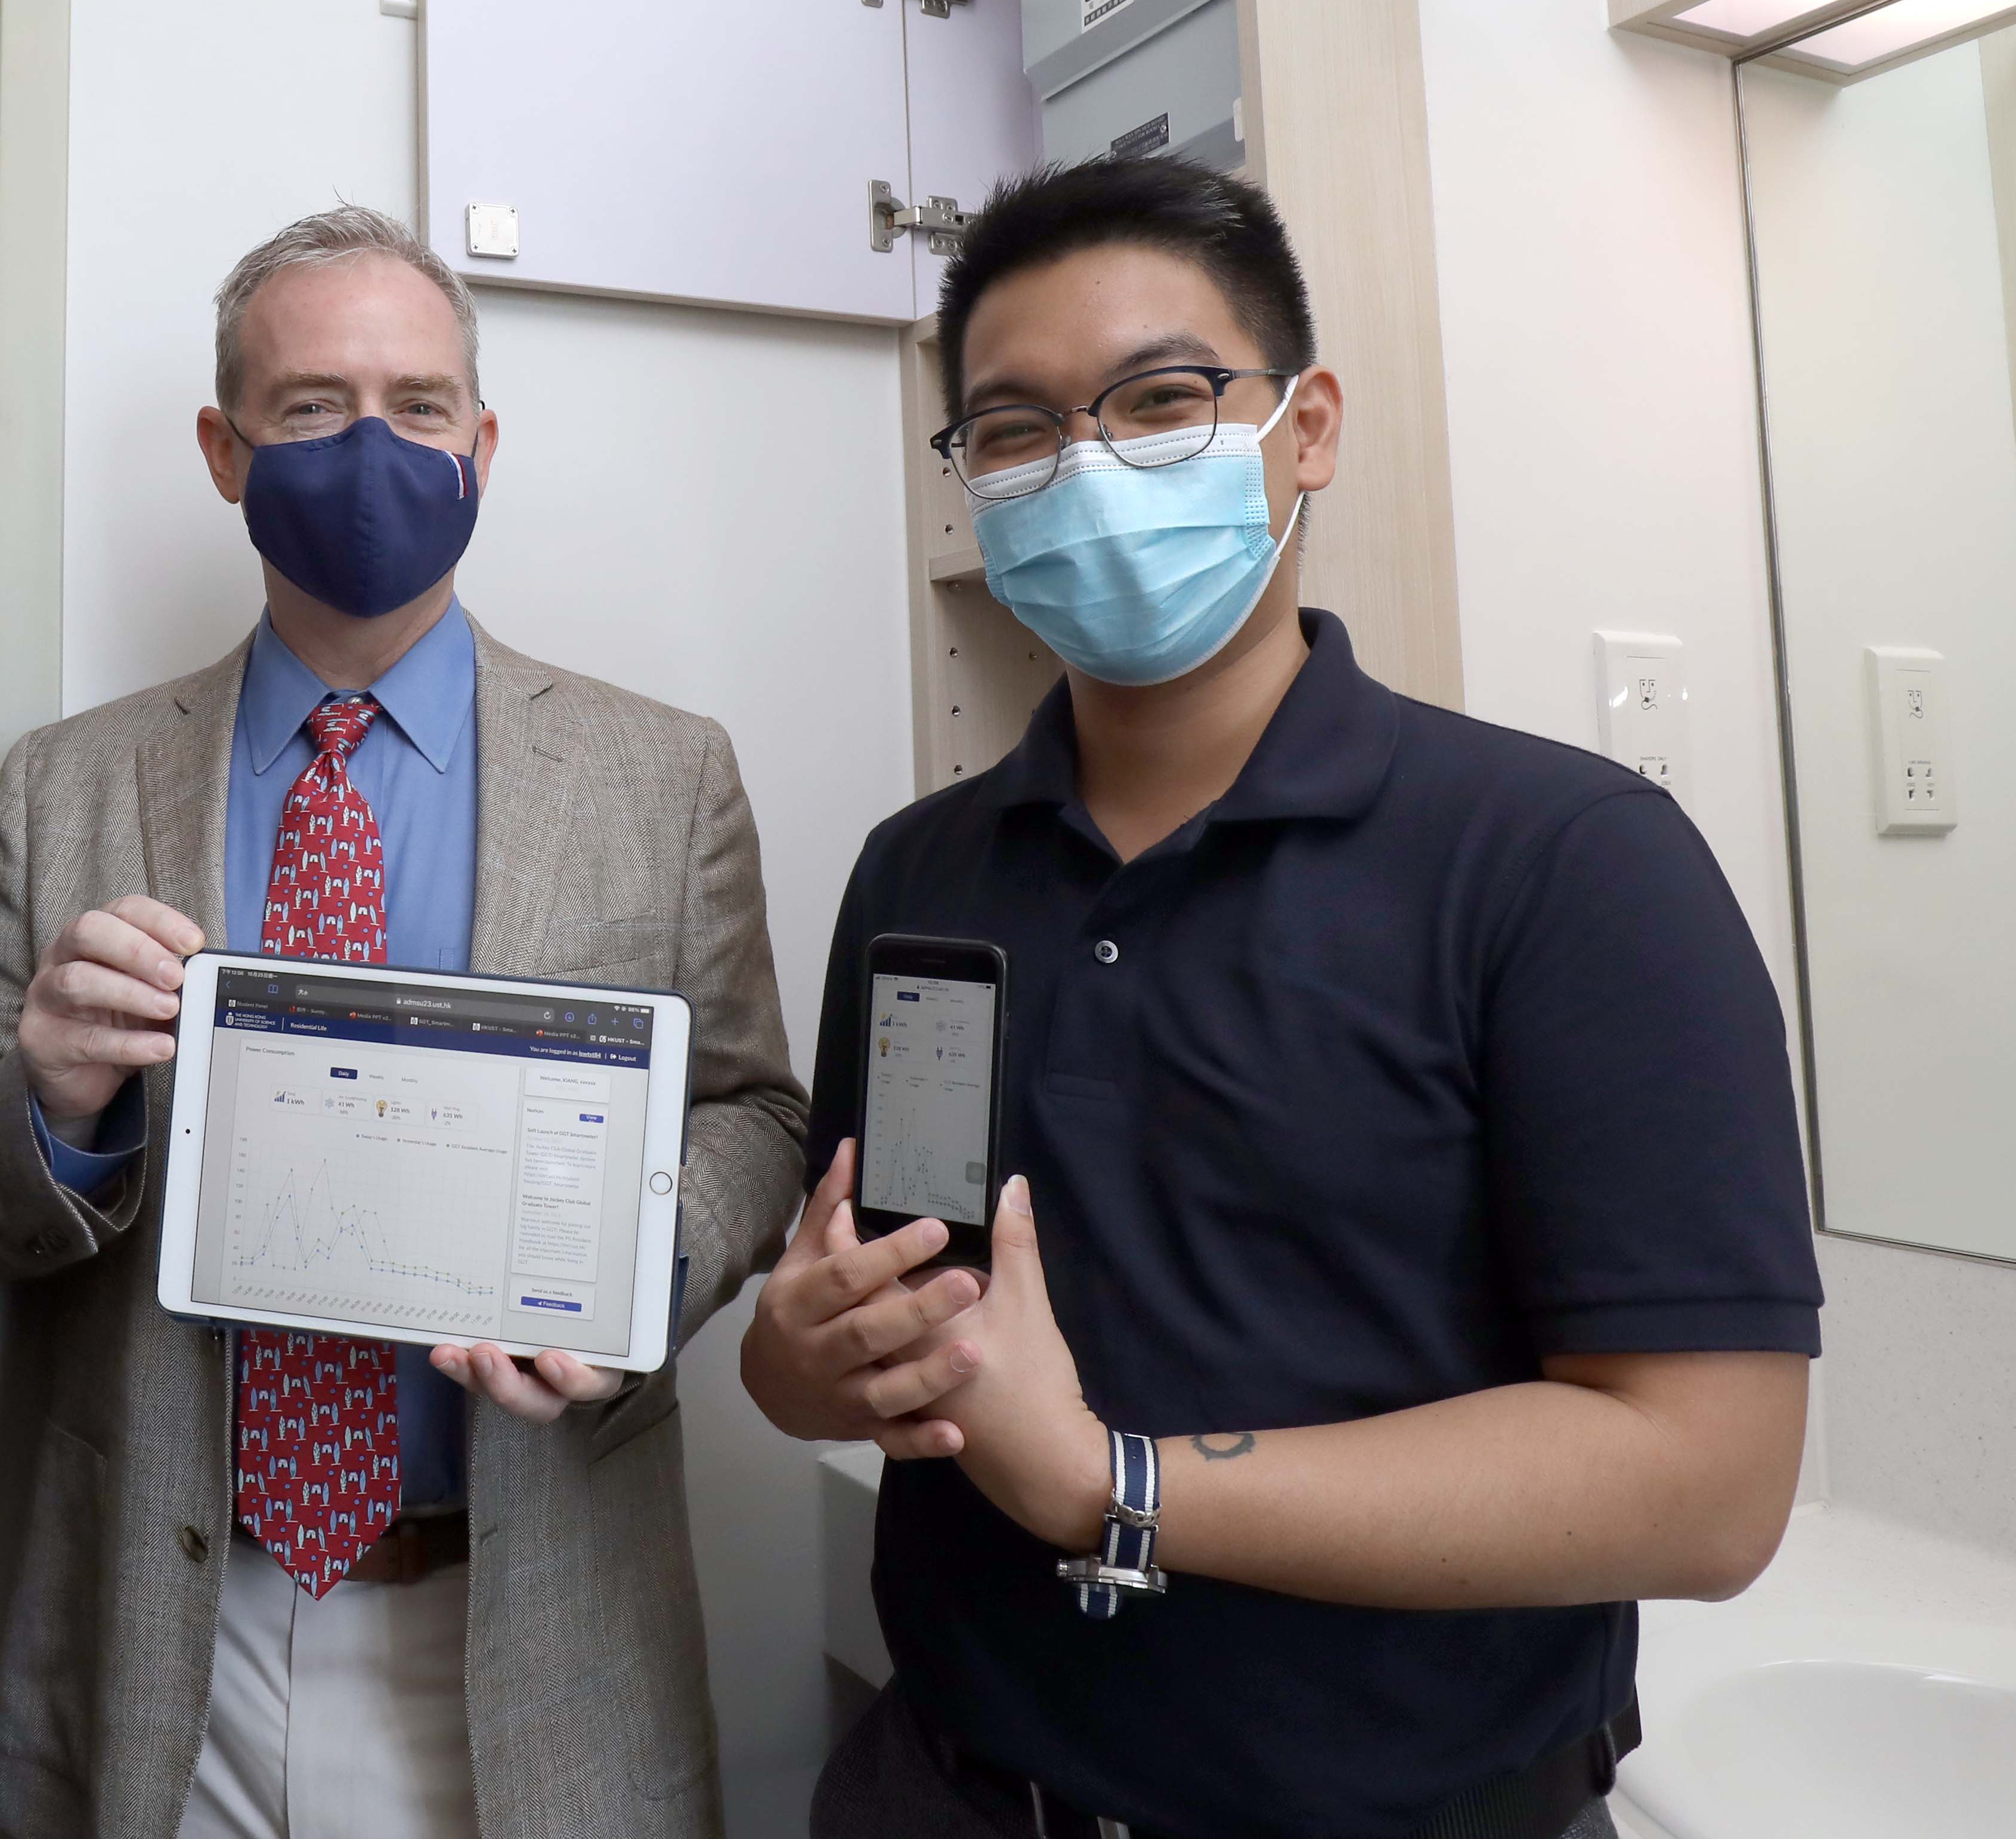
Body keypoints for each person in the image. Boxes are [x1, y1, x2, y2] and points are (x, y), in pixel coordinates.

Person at [743, 156, 1820, 1839]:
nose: (1085, 468)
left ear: (1303, 429)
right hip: (942, 1789)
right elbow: (877, 1296)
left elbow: (1709, 1484)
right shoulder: (919, 872)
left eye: (1161, 401)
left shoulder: (1565, 861)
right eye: (1016, 430)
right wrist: (799, 1364)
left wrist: (1113, 1487)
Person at [0, 205, 804, 1839]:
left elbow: (754, 1115)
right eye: (314, 407)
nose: (372, 448)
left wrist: (634, 1266)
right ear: (224, 450)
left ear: (482, 445)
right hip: (161, 1626)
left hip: (532, 1623)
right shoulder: (61, 786)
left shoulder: (661, 775)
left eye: (417, 404)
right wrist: (52, 1099)